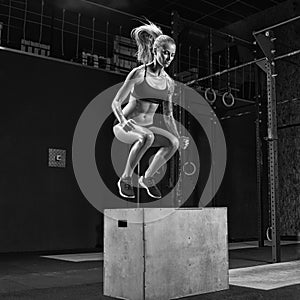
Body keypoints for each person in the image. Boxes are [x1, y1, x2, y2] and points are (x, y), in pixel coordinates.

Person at [112, 21, 189, 199]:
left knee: (173, 143)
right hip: (123, 125)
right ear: (155, 51)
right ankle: (125, 179)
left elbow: (169, 116)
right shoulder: (139, 73)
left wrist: (178, 136)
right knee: (148, 137)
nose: (168, 58)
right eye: (165, 53)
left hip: (146, 128)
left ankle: (147, 179)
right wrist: (123, 121)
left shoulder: (169, 83)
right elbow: (116, 102)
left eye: (172, 55)